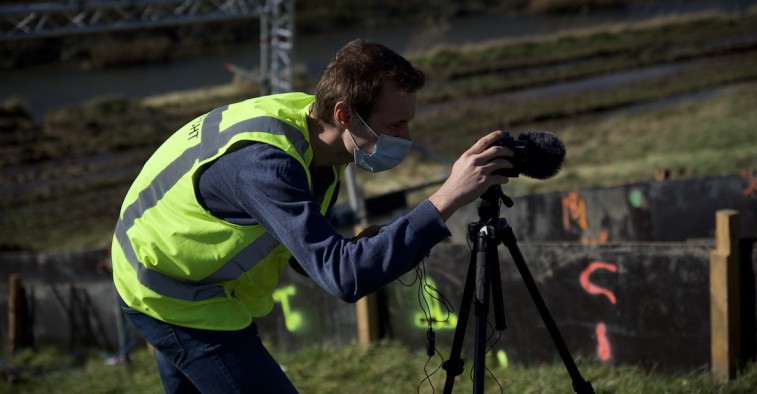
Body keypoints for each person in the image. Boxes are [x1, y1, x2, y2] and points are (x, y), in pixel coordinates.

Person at [111, 39, 513, 393]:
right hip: (169, 291)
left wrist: (354, 248)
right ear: (344, 114)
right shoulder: (265, 166)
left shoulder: (317, 141)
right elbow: (343, 278)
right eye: (395, 124)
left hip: (184, 272)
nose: (406, 138)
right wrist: (448, 196)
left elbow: (308, 253)